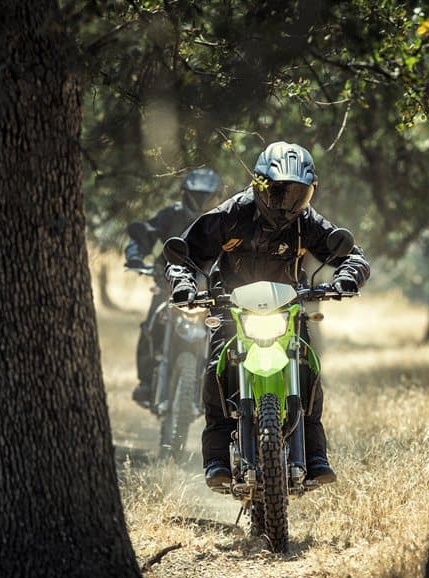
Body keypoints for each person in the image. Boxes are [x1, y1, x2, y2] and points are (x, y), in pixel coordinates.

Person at [165, 141, 370, 488]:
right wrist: (184, 284)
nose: (288, 204)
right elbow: (183, 255)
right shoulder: (230, 215)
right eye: (279, 193)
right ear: (259, 186)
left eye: (298, 195)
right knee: (216, 369)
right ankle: (216, 459)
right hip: (231, 305)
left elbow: (354, 255)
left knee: (308, 366)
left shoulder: (307, 222)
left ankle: (316, 454)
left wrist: (347, 276)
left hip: (286, 307)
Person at [126, 167, 223, 405]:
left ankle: (220, 389)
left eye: (207, 196)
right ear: (185, 194)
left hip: (209, 291)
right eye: (196, 195)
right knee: (151, 325)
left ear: (217, 196)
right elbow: (145, 234)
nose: (201, 201)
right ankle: (147, 382)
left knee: (226, 332)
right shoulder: (171, 216)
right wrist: (136, 255)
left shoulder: (224, 221)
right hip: (168, 286)